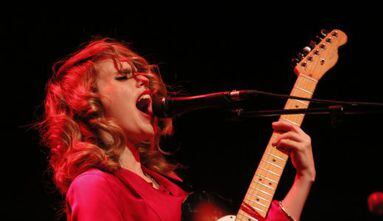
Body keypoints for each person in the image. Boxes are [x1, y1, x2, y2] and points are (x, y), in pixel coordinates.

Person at [40, 38, 316, 221]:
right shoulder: (95, 186)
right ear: (90, 105)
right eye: (124, 76)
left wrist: (303, 178)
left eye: (142, 74)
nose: (143, 81)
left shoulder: (169, 185)